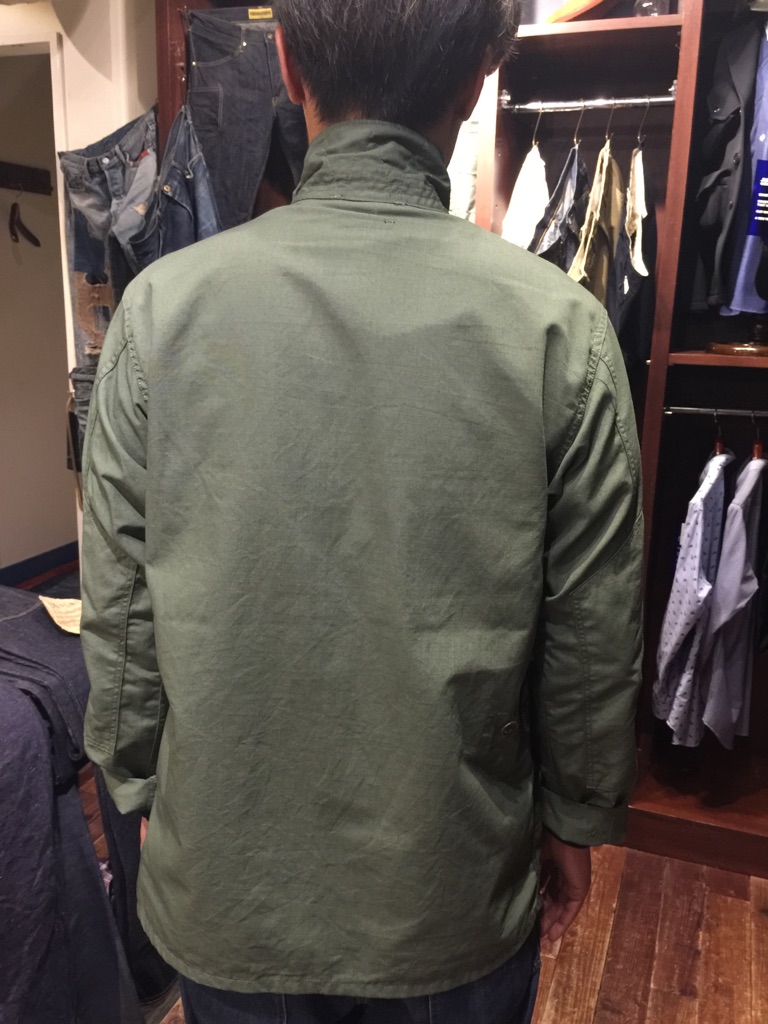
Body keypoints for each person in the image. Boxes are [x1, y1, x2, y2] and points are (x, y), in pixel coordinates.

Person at [80, 1, 644, 1021]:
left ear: (288, 64)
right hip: (452, 893)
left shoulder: (160, 311)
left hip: (231, 885)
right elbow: (593, 629)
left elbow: (120, 613)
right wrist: (575, 812)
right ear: (478, 76)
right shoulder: (560, 330)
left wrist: (141, 791)